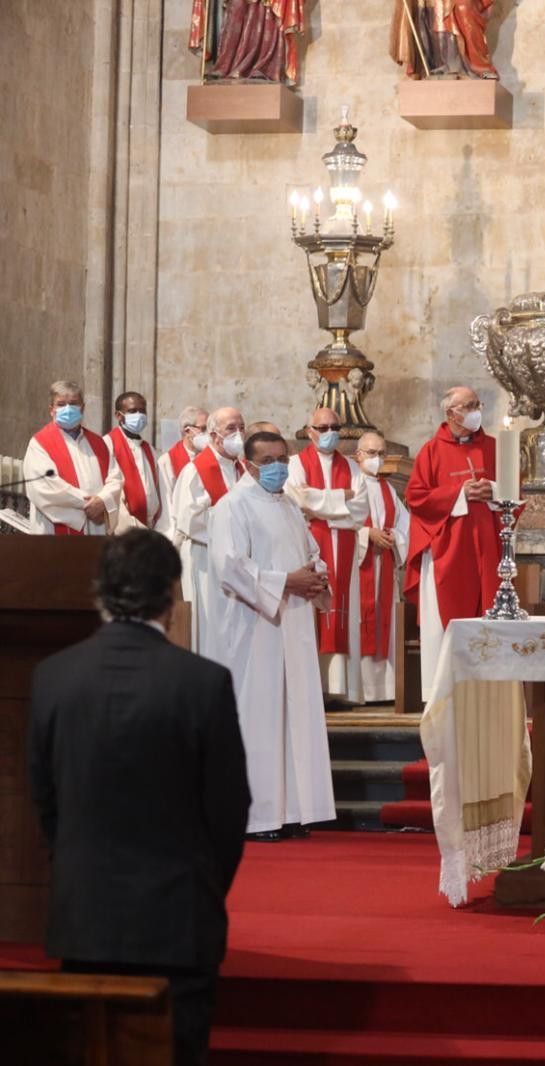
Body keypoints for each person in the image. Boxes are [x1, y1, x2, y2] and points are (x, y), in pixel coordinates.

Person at [29, 529, 249, 1066]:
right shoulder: (203, 682)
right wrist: (201, 887)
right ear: (172, 597)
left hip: (86, 922)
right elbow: (228, 810)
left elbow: (45, 798)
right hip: (178, 920)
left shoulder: (53, 678)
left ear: (98, 591)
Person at [210, 431, 335, 840]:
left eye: (283, 458)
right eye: (268, 460)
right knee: (260, 715)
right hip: (255, 627)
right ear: (248, 464)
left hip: (294, 624)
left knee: (295, 714)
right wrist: (285, 582)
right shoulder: (232, 506)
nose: (278, 467)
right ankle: (259, 815)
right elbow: (230, 566)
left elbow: (312, 553)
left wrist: (315, 578)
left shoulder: (290, 507)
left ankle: (296, 811)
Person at [405, 386, 499, 701]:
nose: (476, 411)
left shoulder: (494, 448)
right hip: (447, 552)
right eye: (469, 406)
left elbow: (515, 491)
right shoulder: (431, 451)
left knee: (487, 617)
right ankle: (441, 694)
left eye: (477, 404)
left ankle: (485, 691)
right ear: (451, 413)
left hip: (487, 550)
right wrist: (460, 493)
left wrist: (493, 491)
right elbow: (416, 498)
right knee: (441, 624)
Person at [286, 408, 371, 703]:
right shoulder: (295, 463)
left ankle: (342, 689)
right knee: (311, 612)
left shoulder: (353, 467)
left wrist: (320, 507)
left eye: (335, 427)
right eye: (322, 428)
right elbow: (297, 500)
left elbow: (361, 512)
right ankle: (313, 687)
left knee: (344, 611)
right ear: (309, 431)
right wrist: (341, 499)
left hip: (345, 549)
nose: (329, 433)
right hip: (311, 546)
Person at [170, 406, 247, 658]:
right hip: (205, 559)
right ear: (214, 436)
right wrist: (231, 522)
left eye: (241, 427)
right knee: (209, 625)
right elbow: (189, 519)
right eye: (231, 429)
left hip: (237, 560)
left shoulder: (242, 469)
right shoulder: (196, 470)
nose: (238, 434)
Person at [351, 432, 410, 704]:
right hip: (358, 567)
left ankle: (385, 690)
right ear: (358, 455)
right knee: (360, 620)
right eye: (371, 452)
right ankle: (361, 690)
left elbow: (405, 525)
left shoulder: (389, 490)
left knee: (385, 624)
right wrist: (366, 536)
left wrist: (393, 537)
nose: (377, 459)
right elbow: (339, 525)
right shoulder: (350, 484)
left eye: (381, 453)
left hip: (384, 564)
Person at [23, 380, 123, 536]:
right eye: (61, 404)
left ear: (82, 408)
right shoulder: (39, 443)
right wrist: (89, 504)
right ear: (52, 410)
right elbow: (44, 487)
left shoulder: (99, 443)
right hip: (54, 535)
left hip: (96, 532)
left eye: (73, 403)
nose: (67, 408)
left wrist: (103, 501)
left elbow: (115, 478)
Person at [105, 391, 163, 532]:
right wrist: (132, 527)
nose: (139, 415)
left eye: (142, 411)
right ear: (119, 415)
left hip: (150, 526)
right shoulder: (107, 444)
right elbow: (110, 492)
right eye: (132, 411)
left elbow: (156, 489)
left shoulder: (149, 449)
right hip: (123, 528)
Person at [157, 406, 210, 537]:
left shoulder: (212, 458)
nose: (208, 434)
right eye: (204, 429)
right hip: (179, 532)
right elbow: (167, 503)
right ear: (187, 431)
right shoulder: (167, 461)